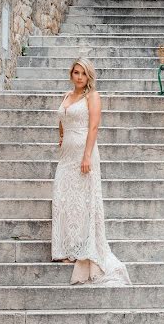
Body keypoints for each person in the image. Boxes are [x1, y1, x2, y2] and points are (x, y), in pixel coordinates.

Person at [52, 58, 132, 285]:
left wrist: (87, 155)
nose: (79, 77)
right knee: (64, 199)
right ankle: (67, 248)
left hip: (84, 154)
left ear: (89, 77)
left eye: (83, 74)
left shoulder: (92, 97)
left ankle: (82, 249)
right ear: (71, 74)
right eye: (76, 72)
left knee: (83, 201)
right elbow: (62, 118)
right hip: (66, 156)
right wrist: (60, 136)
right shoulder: (67, 96)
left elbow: (94, 126)